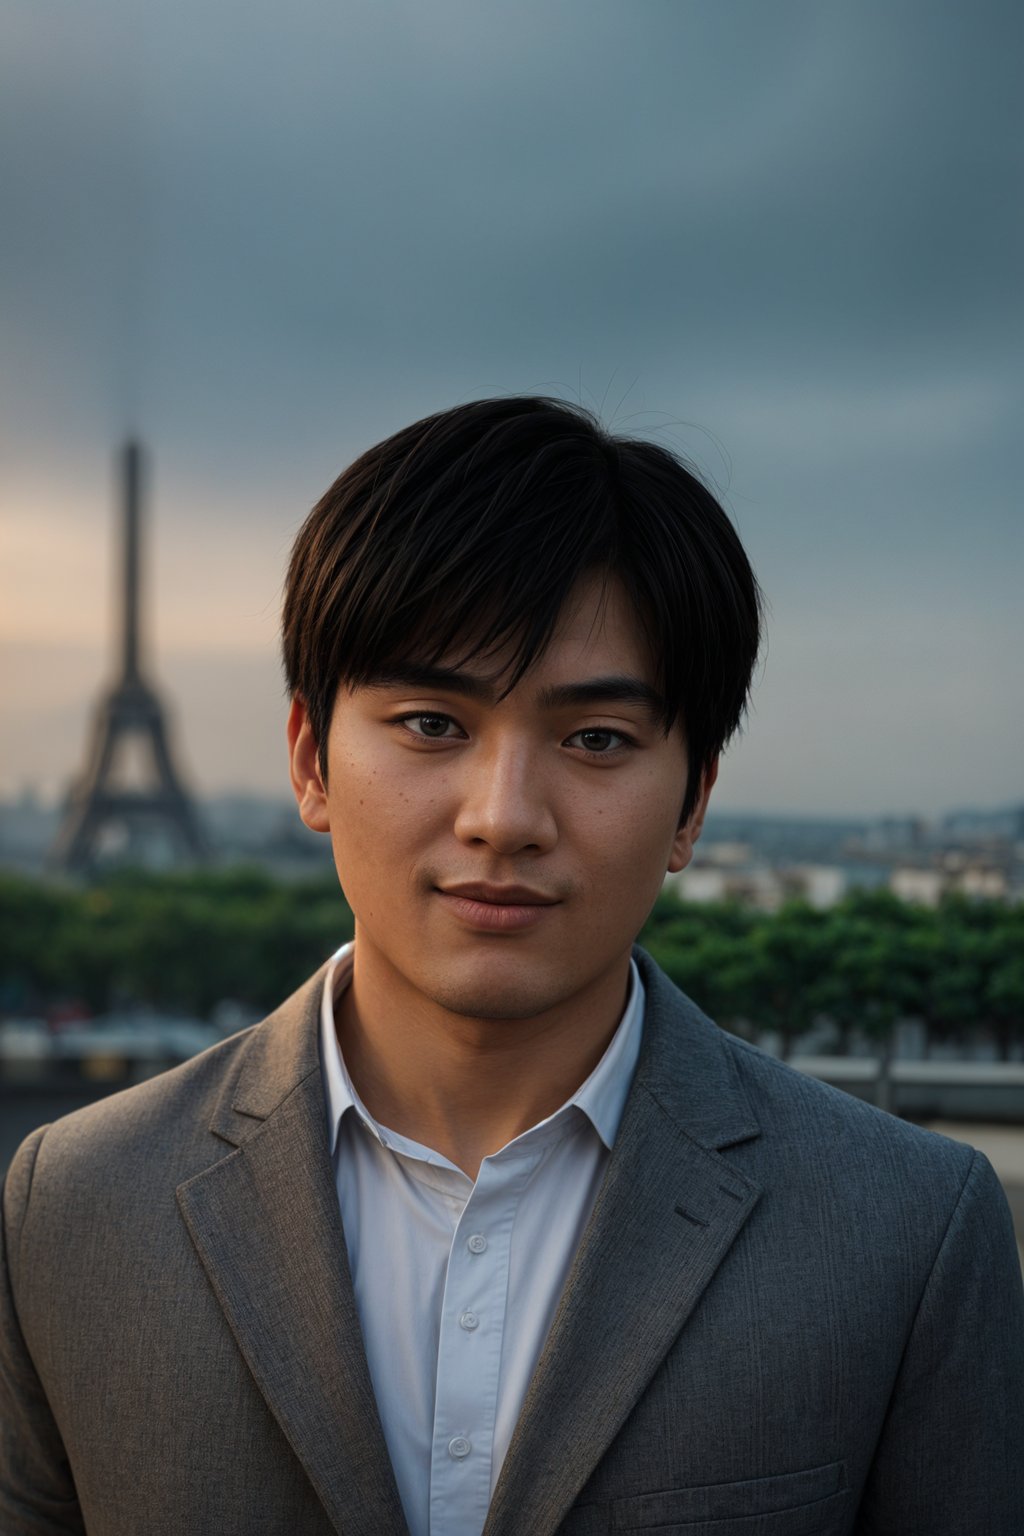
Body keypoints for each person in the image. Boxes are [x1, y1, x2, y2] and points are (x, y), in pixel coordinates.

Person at [1, 396, 1021, 1536]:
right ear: (309, 760)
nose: (503, 816)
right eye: (433, 723)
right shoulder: (74, 1210)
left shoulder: (904, 1235)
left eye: (595, 740)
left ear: (692, 804)